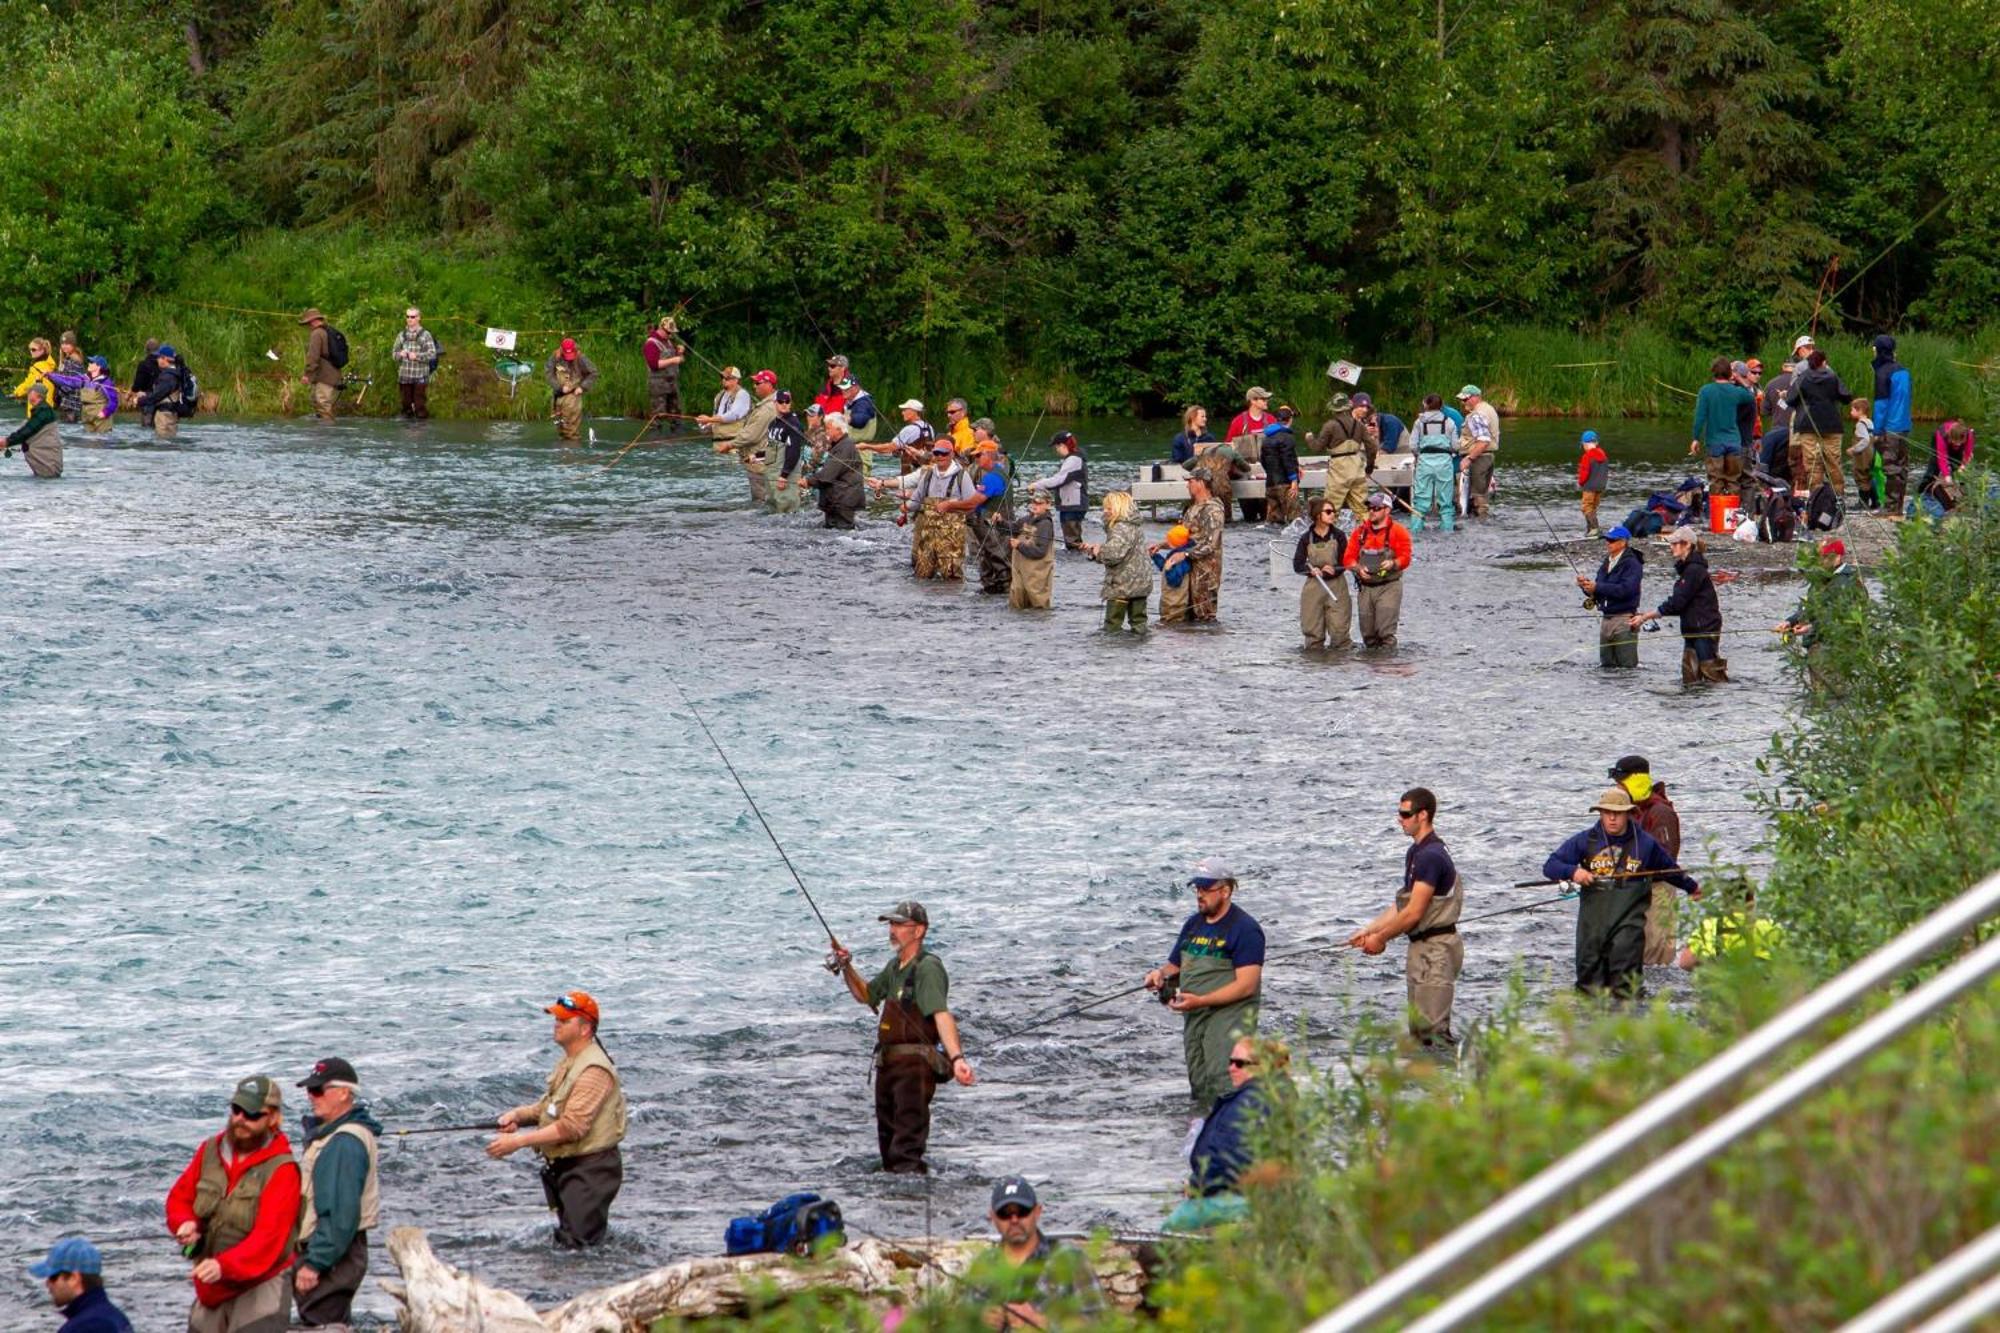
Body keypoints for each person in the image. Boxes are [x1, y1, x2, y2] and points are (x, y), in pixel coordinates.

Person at [833, 901, 976, 1173]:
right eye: (891, 924)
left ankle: (911, 1202)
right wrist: (846, 967)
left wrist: (957, 1058)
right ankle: (895, 1204)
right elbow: (866, 995)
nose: (893, 930)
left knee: (906, 1149)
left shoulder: (928, 967)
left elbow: (941, 1014)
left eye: (900, 925)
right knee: (888, 1149)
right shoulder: (895, 966)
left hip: (914, 1070)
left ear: (919, 931)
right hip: (887, 1068)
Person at [489, 991, 628, 1248]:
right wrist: (519, 1115)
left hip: (591, 1171)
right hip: (571, 1167)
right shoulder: (571, 1061)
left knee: (576, 1249)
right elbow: (551, 1107)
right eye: (557, 1019)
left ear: (585, 1029)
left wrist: (518, 1142)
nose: (557, 1024)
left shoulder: (594, 1070)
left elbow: (572, 1127)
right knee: (574, 1246)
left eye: (565, 1020)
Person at [166, 1075, 302, 1333]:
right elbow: (180, 1198)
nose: (241, 1119)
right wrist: (185, 1223)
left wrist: (223, 1266)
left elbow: (268, 1240)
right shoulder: (209, 1150)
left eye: (252, 1114)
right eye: (236, 1110)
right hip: (210, 1286)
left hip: (260, 1288)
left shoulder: (283, 1170)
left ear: (273, 1118)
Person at [1543, 788, 1700, 998]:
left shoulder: (1645, 843)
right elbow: (1550, 866)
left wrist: (1692, 887)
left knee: (1625, 979)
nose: (1612, 818)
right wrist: (1573, 872)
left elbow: (1670, 870)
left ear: (1628, 813)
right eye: (1607, 812)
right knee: (1589, 982)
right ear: (1600, 813)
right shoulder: (1585, 840)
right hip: (1593, 925)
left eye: (1618, 813)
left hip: (1629, 920)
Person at [1145, 857, 1264, 1112]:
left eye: (1205, 889)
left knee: (1226, 1081)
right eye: (1197, 888)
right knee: (1200, 1083)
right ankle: (1202, 1135)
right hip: (1194, 1015)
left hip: (1230, 1018)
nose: (1199, 895)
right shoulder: (1193, 924)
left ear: (1226, 890)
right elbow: (1173, 966)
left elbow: (1247, 986)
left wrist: (1202, 1000)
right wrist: (1159, 974)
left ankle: (1235, 1136)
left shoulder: (1246, 930)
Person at [1351, 787, 1463, 1046]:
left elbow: (1413, 913)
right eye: (1399, 813)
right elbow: (1402, 905)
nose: (1399, 819)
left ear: (1422, 815)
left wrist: (1381, 939)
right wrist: (1369, 930)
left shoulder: (1431, 856)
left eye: (1405, 813)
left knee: (1433, 1036)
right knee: (1418, 1032)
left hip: (1437, 951)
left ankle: (1452, 1079)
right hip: (1421, 949)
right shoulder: (1416, 853)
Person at [292, 1057, 382, 1328]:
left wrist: (314, 1264)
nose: (311, 1096)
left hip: (333, 1254)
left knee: (322, 1323)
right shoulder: (334, 1135)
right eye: (309, 1090)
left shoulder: (343, 1143)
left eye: (318, 1090)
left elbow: (341, 1214)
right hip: (337, 1250)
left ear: (344, 1093)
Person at [1164, 1036, 1282, 1232]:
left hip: (1243, 1200)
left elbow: (1229, 1162)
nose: (1231, 1068)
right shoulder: (1279, 1095)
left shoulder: (1244, 1105)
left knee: (1170, 1228)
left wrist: (1197, 1186)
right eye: (1230, 1062)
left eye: (1239, 1063)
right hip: (1269, 1196)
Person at [960, 1176, 1103, 1330]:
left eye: (1022, 1211)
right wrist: (980, 1321)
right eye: (1005, 1213)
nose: (1014, 1220)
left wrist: (1041, 1323)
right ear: (993, 1217)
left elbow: (1100, 1322)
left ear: (1037, 1212)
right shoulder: (983, 1264)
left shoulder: (1070, 1259)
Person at [1605, 756, 1683, 967]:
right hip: (1632, 892)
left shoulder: (1660, 813)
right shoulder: (1629, 813)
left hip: (1657, 892)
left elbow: (1665, 858)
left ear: (1636, 781)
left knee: (1655, 956)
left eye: (1621, 783)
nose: (1618, 788)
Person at [1630, 525, 1725, 684]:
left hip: (1704, 630)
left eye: (1674, 544)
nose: (1671, 547)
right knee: (1690, 678)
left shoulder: (1694, 570)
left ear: (1687, 544)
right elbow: (1679, 602)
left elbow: (1677, 603)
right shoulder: (1688, 569)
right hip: (1692, 630)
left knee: (1711, 678)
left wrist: (1645, 616)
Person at [882, 441, 977, 577]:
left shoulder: (962, 476)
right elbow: (917, 498)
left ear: (951, 454)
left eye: (944, 453)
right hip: (927, 536)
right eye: (937, 453)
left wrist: (951, 505)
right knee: (921, 576)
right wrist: (906, 507)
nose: (940, 456)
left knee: (951, 577)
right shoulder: (928, 475)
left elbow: (972, 504)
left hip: (952, 540)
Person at [1344, 493, 1411, 648]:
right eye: (1370, 508)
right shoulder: (1359, 532)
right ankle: (1371, 667)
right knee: (1368, 635)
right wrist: (1358, 568)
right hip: (1365, 588)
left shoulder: (1399, 531)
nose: (1372, 511)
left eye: (1376, 508)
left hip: (1389, 586)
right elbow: (1348, 558)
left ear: (1387, 510)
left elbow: (1405, 557)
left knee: (1385, 633)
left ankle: (1387, 666)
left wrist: (1393, 563)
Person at [28, 1236, 133, 1333]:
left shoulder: (84, 1327)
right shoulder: (117, 1317)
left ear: (74, 1278)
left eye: (53, 1277)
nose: (47, 1283)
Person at [1158, 468, 1223, 622]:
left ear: (1201, 483)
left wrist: (1185, 554)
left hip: (1206, 572)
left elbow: (1211, 544)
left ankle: (1209, 644)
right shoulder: (1192, 508)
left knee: (1205, 616)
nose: (1187, 485)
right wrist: (1162, 545)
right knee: (1184, 614)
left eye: (1190, 481)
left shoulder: (1213, 510)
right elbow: (1185, 538)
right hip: (1187, 570)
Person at [1785, 348, 1852, 496]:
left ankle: (1816, 498)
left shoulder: (1803, 377)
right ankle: (1838, 498)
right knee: (1834, 463)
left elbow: (1789, 399)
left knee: (1813, 464)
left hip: (1807, 426)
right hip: (1832, 425)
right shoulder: (1832, 376)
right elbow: (1846, 397)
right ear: (1824, 362)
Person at [1578, 525, 1643, 669]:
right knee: (1606, 668)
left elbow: (1626, 590)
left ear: (1623, 542)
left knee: (1627, 669)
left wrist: (1597, 587)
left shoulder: (1633, 564)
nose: (1608, 543)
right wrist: (1586, 587)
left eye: (1612, 540)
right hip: (1606, 620)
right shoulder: (1607, 562)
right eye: (1607, 540)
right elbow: (1599, 590)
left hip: (1625, 621)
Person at [1084, 490, 1150, 631]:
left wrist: (1098, 551)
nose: (1105, 511)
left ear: (1119, 508)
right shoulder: (1134, 526)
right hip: (1141, 585)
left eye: (1109, 508)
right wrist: (1096, 550)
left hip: (1122, 585)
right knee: (1139, 625)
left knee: (1112, 627)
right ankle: (1140, 651)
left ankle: (1113, 653)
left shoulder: (1120, 527)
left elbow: (1113, 554)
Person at [1688, 356, 1752, 497]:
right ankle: (1732, 515)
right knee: (1733, 481)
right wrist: (1739, 380)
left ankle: (1717, 515)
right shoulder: (1736, 391)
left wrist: (1695, 438)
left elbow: (1700, 417)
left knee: (1716, 482)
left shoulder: (1705, 391)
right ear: (1730, 373)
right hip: (1734, 442)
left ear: (1713, 372)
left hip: (1714, 443)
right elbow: (1750, 396)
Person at [1294, 496, 1352, 649]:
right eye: (1328, 511)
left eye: (1333, 511)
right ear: (1317, 515)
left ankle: (1339, 666)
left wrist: (1334, 569)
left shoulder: (1339, 536)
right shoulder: (1306, 538)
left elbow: (1346, 562)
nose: (1333, 514)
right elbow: (1298, 565)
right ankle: (1315, 667)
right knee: (1312, 633)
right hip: (1314, 587)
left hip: (1337, 586)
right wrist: (1310, 571)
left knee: (1340, 632)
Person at [1677, 888, 1783, 970]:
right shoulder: (1771, 926)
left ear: (1724, 901)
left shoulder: (1708, 925)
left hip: (1721, 989)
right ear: (1752, 902)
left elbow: (1685, 963)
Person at [722, 369, 781, 503]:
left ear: (768, 384)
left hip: (760, 466)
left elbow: (751, 435)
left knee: (761, 503)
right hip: (766, 462)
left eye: (757, 383)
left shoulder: (768, 408)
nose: (754, 386)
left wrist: (729, 445)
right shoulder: (773, 403)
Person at [1315, 392, 1373, 525]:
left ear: (1333, 409)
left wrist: (1309, 438)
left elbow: (1317, 447)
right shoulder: (1359, 425)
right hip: (1357, 467)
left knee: (1330, 509)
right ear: (1349, 407)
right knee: (1362, 508)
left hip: (1339, 469)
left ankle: (1327, 538)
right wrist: (1369, 466)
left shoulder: (1330, 425)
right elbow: (1372, 447)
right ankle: (1371, 536)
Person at [1870, 334, 1913, 514]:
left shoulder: (1883, 372)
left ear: (1878, 350)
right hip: (1904, 426)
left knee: (1891, 468)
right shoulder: (1903, 371)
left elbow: (1881, 404)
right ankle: (1898, 507)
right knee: (1901, 467)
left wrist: (1878, 430)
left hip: (1890, 427)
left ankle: (1890, 508)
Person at [968, 435, 1015, 594]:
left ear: (988, 455)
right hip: (997, 525)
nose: (975, 459)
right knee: (991, 561)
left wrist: (950, 505)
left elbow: (974, 502)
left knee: (999, 561)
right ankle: (994, 592)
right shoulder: (998, 472)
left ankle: (1003, 593)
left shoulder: (992, 478)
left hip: (995, 527)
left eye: (978, 455)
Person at [1030, 430, 1089, 548]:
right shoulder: (1075, 457)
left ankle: (1075, 563)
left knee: (1072, 543)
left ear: (1062, 445)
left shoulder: (1073, 460)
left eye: (1056, 447)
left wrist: (1036, 485)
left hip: (1073, 505)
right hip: (1073, 504)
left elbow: (1058, 480)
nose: (1056, 450)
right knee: (1073, 540)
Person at [1407, 394, 1457, 533]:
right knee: (1446, 500)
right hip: (1444, 462)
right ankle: (1447, 530)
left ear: (1425, 405)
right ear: (1441, 406)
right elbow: (1455, 446)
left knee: (1421, 499)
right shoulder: (1450, 422)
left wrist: (1419, 455)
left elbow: (1412, 445)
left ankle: (1416, 530)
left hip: (1425, 462)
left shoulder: (1419, 422)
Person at [809, 412, 866, 529]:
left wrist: (807, 482)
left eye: (829, 428)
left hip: (843, 501)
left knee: (842, 533)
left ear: (839, 430)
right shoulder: (840, 445)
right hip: (838, 499)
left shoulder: (845, 447)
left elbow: (827, 475)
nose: (826, 432)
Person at [1225, 387, 1275, 521]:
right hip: (1245, 475)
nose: (1266, 401)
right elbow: (1228, 448)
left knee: (1266, 518)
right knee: (1249, 518)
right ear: (1253, 401)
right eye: (1263, 399)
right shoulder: (1238, 422)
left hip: (1267, 475)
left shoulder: (1271, 420)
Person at [1006, 489, 1056, 609]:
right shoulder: (1026, 519)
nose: (1035, 505)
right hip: (1021, 570)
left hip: (1037, 574)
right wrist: (999, 522)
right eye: (1033, 502)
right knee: (1016, 600)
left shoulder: (1045, 524)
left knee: (1038, 605)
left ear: (1048, 505)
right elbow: (1013, 527)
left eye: (1039, 503)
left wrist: (1019, 545)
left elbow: (1040, 552)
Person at [1455, 385, 1500, 517]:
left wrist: (1469, 458)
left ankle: (1479, 527)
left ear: (1476, 397)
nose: (1463, 403)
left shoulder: (1477, 415)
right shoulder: (1489, 409)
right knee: (1482, 493)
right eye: (1462, 400)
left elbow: (1483, 441)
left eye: (1465, 399)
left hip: (1478, 458)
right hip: (1487, 457)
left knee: (1478, 496)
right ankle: (1482, 523)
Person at [1917, 420, 1975, 520]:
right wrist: (1946, 475)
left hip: (1956, 445)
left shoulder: (1968, 435)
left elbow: (1967, 453)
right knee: (1933, 469)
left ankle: (1958, 502)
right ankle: (1921, 494)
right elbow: (1942, 458)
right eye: (1955, 441)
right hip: (1940, 445)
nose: (1957, 444)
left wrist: (1963, 466)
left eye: (1960, 442)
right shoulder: (1941, 434)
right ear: (1950, 437)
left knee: (1957, 469)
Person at [544, 339, 599, 444]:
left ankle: (572, 454)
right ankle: (563, 453)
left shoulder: (581, 358)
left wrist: (582, 387)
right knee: (560, 428)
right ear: (561, 350)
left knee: (570, 430)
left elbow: (593, 373)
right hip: (558, 396)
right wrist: (559, 387)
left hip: (573, 396)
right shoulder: (555, 357)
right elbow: (548, 373)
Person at [768, 390, 814, 513]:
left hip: (785, 475)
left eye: (787, 401)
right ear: (775, 403)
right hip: (772, 474)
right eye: (780, 401)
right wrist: (756, 456)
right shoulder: (773, 424)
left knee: (787, 510)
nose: (784, 404)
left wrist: (784, 475)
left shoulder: (794, 424)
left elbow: (793, 451)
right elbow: (772, 448)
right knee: (773, 508)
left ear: (790, 403)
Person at [389, 307, 439, 419]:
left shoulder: (426, 335)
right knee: (406, 406)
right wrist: (399, 354)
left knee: (419, 407)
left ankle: (421, 431)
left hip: (420, 376)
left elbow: (432, 354)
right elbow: (393, 354)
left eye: (412, 317)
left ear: (419, 318)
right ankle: (406, 431)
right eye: (407, 316)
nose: (409, 319)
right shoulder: (401, 335)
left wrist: (417, 356)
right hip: (404, 376)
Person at [48, 357, 119, 435]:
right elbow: (68, 381)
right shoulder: (84, 379)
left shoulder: (106, 382)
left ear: (99, 366)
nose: (89, 364)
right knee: (88, 440)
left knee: (102, 439)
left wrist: (105, 412)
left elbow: (114, 401)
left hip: (100, 414)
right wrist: (51, 376)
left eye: (92, 362)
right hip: (86, 413)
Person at [5, 383, 63, 477]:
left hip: (49, 467)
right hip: (48, 465)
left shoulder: (43, 412)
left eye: (30, 392)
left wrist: (7, 441)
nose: (28, 394)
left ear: (36, 394)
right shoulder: (42, 410)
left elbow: (27, 431)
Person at [1259, 407, 1302, 526]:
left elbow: (1262, 460)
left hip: (1270, 484)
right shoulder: (1287, 438)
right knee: (1296, 521)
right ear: (1289, 420)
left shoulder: (1266, 439)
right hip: (1285, 484)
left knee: (1274, 522)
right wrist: (1293, 479)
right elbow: (1288, 460)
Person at [299, 309, 344, 421]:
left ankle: (327, 433)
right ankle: (323, 430)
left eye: (308, 323)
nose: (308, 326)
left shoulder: (317, 334)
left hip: (325, 377)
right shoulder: (328, 331)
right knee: (320, 404)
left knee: (323, 405)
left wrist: (307, 374)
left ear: (313, 321)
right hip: (333, 375)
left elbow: (313, 356)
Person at [135, 346, 187, 440]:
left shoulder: (168, 376)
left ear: (165, 359)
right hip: (171, 415)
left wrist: (139, 401)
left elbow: (156, 396)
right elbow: (162, 393)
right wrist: (146, 394)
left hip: (165, 417)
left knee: (163, 445)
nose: (157, 360)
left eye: (159, 357)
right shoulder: (176, 373)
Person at [872, 398, 936, 474]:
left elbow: (888, 448)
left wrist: (866, 446)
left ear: (913, 412)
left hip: (910, 472)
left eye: (905, 410)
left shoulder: (909, 429)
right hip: (926, 470)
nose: (902, 413)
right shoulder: (929, 427)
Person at [642, 315, 686, 422]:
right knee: (659, 415)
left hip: (672, 383)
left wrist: (680, 352)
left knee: (676, 414)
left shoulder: (668, 342)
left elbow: (679, 358)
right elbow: (654, 365)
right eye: (669, 332)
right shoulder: (651, 343)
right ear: (661, 329)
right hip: (658, 385)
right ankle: (657, 436)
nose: (671, 335)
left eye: (672, 332)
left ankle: (676, 436)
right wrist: (673, 360)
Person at [697, 366, 751, 446]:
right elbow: (717, 417)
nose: (724, 380)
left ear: (736, 380)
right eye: (722, 377)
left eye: (727, 378)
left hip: (735, 445)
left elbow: (733, 415)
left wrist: (709, 419)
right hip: (718, 444)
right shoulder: (719, 396)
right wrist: (706, 424)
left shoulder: (742, 395)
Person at [1846, 396, 1879, 510]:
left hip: (1863, 455)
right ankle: (1876, 502)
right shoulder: (1870, 422)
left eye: (1852, 410)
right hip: (1871, 453)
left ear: (1859, 411)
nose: (1851, 412)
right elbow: (1873, 438)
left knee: (1861, 477)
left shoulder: (1860, 424)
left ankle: (1863, 503)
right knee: (1869, 476)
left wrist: (1853, 449)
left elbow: (1864, 440)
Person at [11, 337, 57, 414]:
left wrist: (16, 393)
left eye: (34, 349)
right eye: (30, 349)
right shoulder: (48, 366)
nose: (31, 352)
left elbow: (28, 385)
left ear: (42, 350)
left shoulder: (38, 368)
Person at [1576, 430, 1609, 536]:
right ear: (1596, 443)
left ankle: (1594, 529)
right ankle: (1590, 529)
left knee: (1586, 507)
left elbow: (1584, 473)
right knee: (1593, 507)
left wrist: (1580, 482)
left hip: (1589, 486)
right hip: (1601, 486)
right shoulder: (1603, 455)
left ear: (1585, 444)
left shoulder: (1587, 456)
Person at [130, 338, 162, 430]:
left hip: (147, 400)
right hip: (162, 400)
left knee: (147, 428)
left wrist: (130, 393)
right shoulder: (164, 364)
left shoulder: (143, 364)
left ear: (146, 350)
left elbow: (137, 385)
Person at [54, 332, 85, 422]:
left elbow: (70, 386)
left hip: (71, 408)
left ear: (73, 345)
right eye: (62, 344)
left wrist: (54, 380)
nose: (64, 346)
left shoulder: (74, 361)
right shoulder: (66, 360)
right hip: (67, 406)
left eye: (67, 344)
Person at [840, 375, 881, 442]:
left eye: (846, 388)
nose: (843, 391)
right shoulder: (850, 401)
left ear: (856, 388)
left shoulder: (864, 402)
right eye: (842, 388)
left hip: (861, 449)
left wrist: (850, 419)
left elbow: (861, 419)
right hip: (851, 446)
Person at [812, 354, 850, 420]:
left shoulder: (851, 389)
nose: (829, 368)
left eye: (832, 366)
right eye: (829, 366)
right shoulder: (823, 389)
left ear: (843, 368)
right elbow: (816, 411)